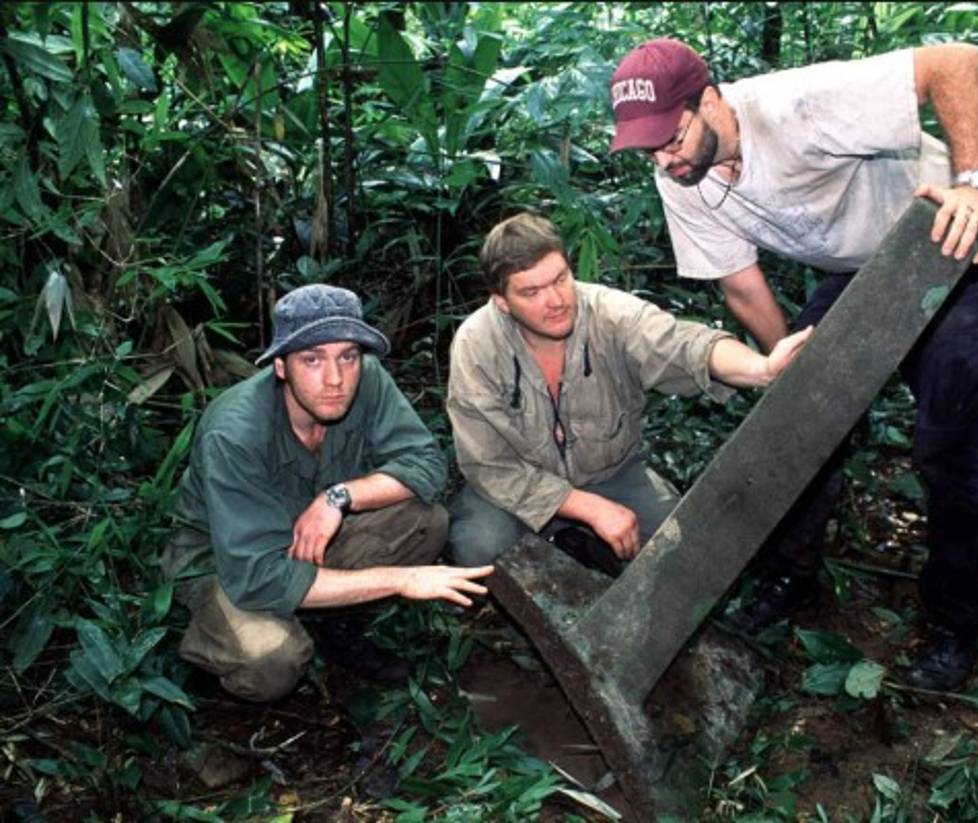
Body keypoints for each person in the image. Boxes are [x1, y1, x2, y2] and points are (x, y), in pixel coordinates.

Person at [608, 39, 978, 691]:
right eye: (649, 147)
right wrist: (790, 370)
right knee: (792, 419)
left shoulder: (796, 105)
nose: (664, 158)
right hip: (861, 272)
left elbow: (956, 62)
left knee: (947, 450)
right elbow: (741, 285)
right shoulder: (680, 176)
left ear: (709, 100)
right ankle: (793, 576)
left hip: (946, 240)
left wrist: (974, 185)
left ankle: (952, 626)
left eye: (672, 137)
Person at [161, 284, 493, 702]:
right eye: (312, 359)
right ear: (280, 366)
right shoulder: (235, 433)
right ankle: (214, 642)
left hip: (310, 537)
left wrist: (338, 497)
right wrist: (401, 580)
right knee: (272, 662)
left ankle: (333, 624)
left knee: (426, 521)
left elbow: (426, 464)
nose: (335, 379)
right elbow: (258, 579)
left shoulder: (366, 379)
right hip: (227, 562)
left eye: (347, 357)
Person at [445, 212, 813, 573]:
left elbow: (683, 346)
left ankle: (592, 556)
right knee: (478, 546)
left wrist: (760, 368)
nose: (555, 300)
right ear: (503, 302)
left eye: (560, 279)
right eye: (532, 292)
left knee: (682, 553)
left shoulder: (609, 314)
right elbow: (490, 466)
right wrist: (588, 508)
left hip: (610, 474)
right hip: (517, 485)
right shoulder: (477, 345)